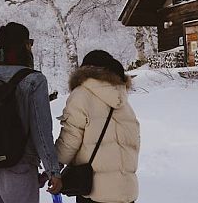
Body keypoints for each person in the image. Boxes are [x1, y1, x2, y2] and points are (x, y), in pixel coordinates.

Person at [0, 22, 62, 203]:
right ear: (24, 46)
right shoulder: (34, 80)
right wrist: (52, 171)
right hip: (19, 167)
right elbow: (41, 130)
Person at [55, 50, 140, 203]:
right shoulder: (124, 102)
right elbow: (134, 144)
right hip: (127, 191)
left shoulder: (81, 95)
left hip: (95, 191)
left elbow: (70, 140)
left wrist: (53, 166)